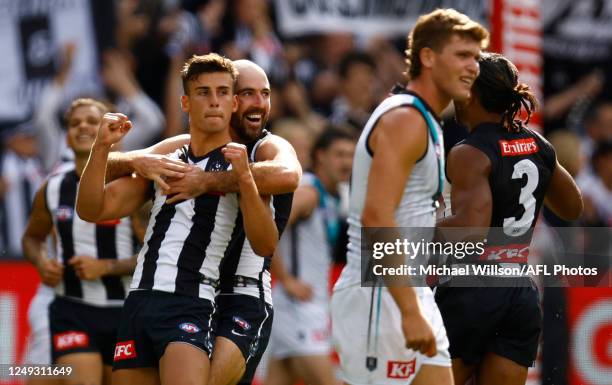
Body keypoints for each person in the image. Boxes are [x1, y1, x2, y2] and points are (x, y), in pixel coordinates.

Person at [75, 53, 278, 385]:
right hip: (138, 301)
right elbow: (93, 209)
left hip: (190, 304)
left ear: (233, 104)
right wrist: (101, 148)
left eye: (223, 92)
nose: (214, 102)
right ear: (185, 102)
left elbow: (266, 243)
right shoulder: (166, 161)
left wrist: (244, 180)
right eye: (203, 92)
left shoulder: (242, 164)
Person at [331, 8, 488, 385]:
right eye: (462, 55)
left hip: (409, 291)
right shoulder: (405, 119)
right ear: (428, 57)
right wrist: (408, 310)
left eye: (477, 58)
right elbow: (376, 218)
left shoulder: (426, 120)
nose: (473, 67)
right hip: (379, 296)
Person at [435, 52, 583, 385]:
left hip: (471, 288)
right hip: (519, 290)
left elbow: (472, 232)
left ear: (471, 94)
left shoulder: (468, 152)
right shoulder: (537, 144)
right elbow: (573, 207)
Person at [21, 98, 143, 385]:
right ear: (66, 136)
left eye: (92, 122)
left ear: (112, 130)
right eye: (75, 124)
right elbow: (31, 238)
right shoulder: (52, 187)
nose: (83, 127)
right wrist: (41, 261)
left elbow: (157, 254)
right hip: (72, 309)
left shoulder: (133, 186)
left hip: (124, 312)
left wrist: (107, 267)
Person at [266, 128, 355, 385]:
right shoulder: (310, 193)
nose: (346, 162)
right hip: (299, 306)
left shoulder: (332, 195)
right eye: (339, 154)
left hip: (304, 305)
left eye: (350, 155)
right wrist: (284, 278)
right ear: (320, 156)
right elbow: (270, 227)